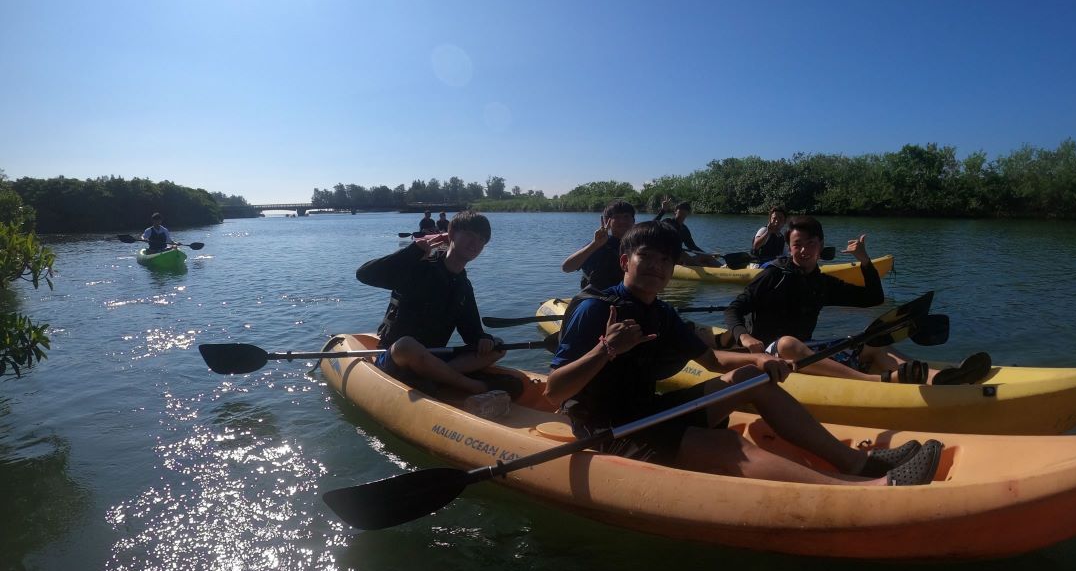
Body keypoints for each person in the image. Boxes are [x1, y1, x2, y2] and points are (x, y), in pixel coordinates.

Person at [546, 221, 942, 486]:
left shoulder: (661, 312)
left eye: (665, 259)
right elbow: (555, 391)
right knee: (729, 446)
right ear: (624, 262)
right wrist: (605, 350)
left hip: (651, 411)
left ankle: (856, 462)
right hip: (607, 429)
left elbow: (713, 361)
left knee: (751, 378)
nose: (656, 266)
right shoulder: (595, 308)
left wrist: (758, 359)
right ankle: (863, 487)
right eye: (646, 257)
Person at [724, 216, 991, 385]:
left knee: (870, 341)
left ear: (821, 245)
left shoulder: (821, 282)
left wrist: (865, 261)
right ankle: (871, 381)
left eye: (810, 243)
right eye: (797, 244)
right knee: (787, 342)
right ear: (790, 246)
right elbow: (735, 308)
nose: (803, 250)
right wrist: (744, 337)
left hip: (808, 351)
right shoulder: (773, 275)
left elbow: (872, 298)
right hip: (772, 355)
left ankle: (938, 379)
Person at [356, 210, 510, 397]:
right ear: (451, 234)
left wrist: (483, 338)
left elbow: (472, 332)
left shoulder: (463, 285)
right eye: (470, 235)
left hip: (433, 356)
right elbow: (364, 274)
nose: (475, 243)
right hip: (398, 357)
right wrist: (413, 250)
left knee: (498, 346)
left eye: (481, 240)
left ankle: (436, 375)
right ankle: (470, 385)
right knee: (406, 344)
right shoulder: (419, 267)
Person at [560, 200, 636, 290]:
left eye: (626, 216)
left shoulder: (641, 244)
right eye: (617, 217)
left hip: (629, 296)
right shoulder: (599, 244)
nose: (622, 221)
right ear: (607, 221)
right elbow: (566, 268)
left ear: (633, 220)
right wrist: (595, 244)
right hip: (600, 297)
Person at [654, 199, 720, 266]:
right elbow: (652, 225)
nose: (683, 211)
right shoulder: (667, 222)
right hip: (666, 258)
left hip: (679, 258)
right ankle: (701, 268)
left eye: (686, 209)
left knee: (707, 257)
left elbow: (692, 247)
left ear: (687, 213)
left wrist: (708, 254)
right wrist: (663, 211)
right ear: (675, 211)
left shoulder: (684, 229)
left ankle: (724, 269)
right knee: (681, 253)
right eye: (681, 209)